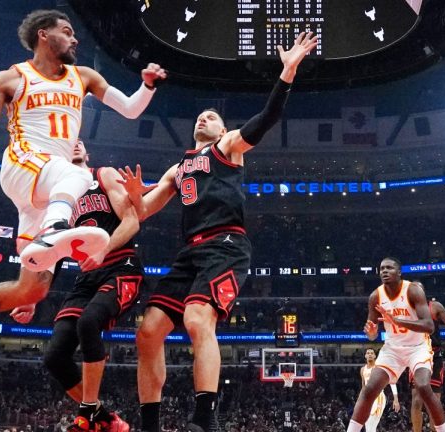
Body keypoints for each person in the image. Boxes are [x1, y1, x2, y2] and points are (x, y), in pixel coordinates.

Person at [0, 9, 166, 368]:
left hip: (48, 192)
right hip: (25, 165)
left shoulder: (83, 77)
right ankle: (55, 233)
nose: (75, 38)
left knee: (31, 290)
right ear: (43, 35)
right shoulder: (12, 78)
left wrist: (146, 86)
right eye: (67, 31)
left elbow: (129, 110)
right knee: (82, 176)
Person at [117, 32, 318, 432]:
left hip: (225, 243)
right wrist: (136, 199)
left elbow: (266, 120)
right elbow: (144, 211)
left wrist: (288, 71)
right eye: (200, 116)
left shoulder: (226, 147)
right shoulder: (178, 168)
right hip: (189, 252)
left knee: (196, 319)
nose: (203, 118)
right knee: (148, 331)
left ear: (224, 127)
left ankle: (205, 420)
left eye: (212, 116)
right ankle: (150, 425)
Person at [14, 140, 143, 431]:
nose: (73, 145)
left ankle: (86, 416)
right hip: (86, 277)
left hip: (119, 265)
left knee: (88, 323)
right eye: (67, 144)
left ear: (87, 154)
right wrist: (33, 295)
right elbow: (52, 254)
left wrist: (103, 250)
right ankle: (104, 417)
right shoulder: (59, 201)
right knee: (55, 357)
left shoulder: (103, 175)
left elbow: (132, 222)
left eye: (79, 142)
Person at [346, 257, 445, 432]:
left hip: (418, 347)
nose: (384, 271)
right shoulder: (375, 296)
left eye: (389, 268)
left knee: (423, 386)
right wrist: (371, 334)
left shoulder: (413, 290)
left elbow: (429, 326)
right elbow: (372, 332)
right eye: (381, 268)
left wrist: (398, 321)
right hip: (392, 349)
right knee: (369, 388)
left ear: (399, 272)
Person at [411, 300, 445, 432]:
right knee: (416, 399)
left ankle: (435, 430)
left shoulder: (434, 307)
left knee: (434, 401)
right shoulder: (406, 309)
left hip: (435, 356)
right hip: (416, 355)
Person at [360, 348, 400, 431]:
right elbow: (363, 386)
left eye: (372, 353)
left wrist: (396, 400)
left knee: (371, 424)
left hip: (378, 397)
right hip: (368, 399)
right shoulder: (363, 369)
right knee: (369, 427)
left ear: (375, 356)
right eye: (368, 353)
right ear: (365, 356)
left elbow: (392, 382)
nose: (370, 354)